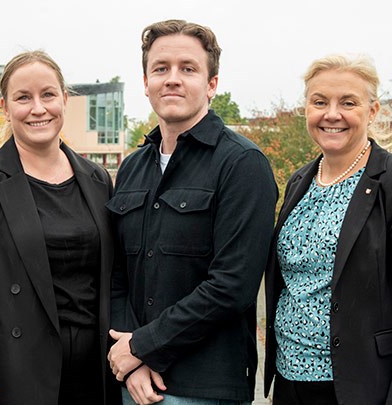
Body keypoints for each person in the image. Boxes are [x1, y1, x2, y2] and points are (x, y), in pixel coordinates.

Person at [106, 19, 278, 405]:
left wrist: (145, 346)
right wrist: (132, 355)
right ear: (146, 81)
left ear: (212, 84)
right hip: (132, 383)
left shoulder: (242, 164)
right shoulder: (132, 168)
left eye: (188, 69)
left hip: (205, 387)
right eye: (161, 69)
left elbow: (232, 285)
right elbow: (115, 272)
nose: (172, 79)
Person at [263, 54, 392, 405]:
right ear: (307, 110)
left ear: (372, 111)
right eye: (320, 102)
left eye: (348, 102)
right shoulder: (300, 180)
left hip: (362, 388)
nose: (332, 114)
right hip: (290, 382)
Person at [0, 50, 120, 405]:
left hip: (93, 377)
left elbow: (113, 280)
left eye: (48, 94)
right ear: (5, 107)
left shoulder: (96, 179)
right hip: (12, 376)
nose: (38, 108)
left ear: (64, 100)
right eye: (23, 97)